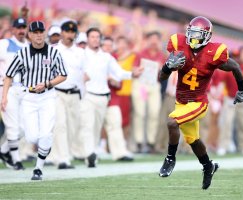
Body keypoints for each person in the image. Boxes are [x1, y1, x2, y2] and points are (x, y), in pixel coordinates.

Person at [158, 16, 243, 190]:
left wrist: (241, 90)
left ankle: (170, 159)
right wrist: (167, 67)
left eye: (198, 35)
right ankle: (208, 166)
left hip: (198, 103)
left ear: (207, 36)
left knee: (172, 122)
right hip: (181, 102)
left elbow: (235, 66)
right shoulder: (178, 44)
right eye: (191, 34)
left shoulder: (215, 52)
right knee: (193, 140)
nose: (193, 38)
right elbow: (160, 78)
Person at [1, 20, 67, 180]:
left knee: (45, 134)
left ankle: (38, 168)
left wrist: (47, 84)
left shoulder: (53, 53)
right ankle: (44, 148)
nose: (38, 35)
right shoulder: (22, 53)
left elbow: (63, 75)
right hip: (28, 97)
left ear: (44, 33)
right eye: (35, 32)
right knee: (31, 137)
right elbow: (9, 75)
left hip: (47, 96)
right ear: (30, 35)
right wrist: (4, 97)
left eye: (40, 32)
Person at [79, 28, 142, 167]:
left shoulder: (107, 57)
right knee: (88, 126)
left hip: (103, 96)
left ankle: (96, 152)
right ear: (87, 39)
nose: (95, 39)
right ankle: (89, 155)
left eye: (97, 37)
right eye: (92, 37)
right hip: (87, 95)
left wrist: (132, 74)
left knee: (97, 128)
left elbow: (119, 73)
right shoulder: (81, 54)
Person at [50, 20, 84, 169]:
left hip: (75, 93)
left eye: (72, 32)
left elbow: (84, 74)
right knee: (60, 125)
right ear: (62, 33)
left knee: (73, 127)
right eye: (67, 31)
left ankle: (64, 154)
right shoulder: (53, 49)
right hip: (57, 93)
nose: (70, 34)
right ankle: (62, 159)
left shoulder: (81, 52)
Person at [0, 17, 29, 170]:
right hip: (7, 88)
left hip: (23, 90)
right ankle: (15, 159)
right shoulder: (4, 44)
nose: (21, 30)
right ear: (13, 29)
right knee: (13, 126)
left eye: (23, 27)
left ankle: (4, 150)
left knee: (25, 127)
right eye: (18, 27)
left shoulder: (29, 46)